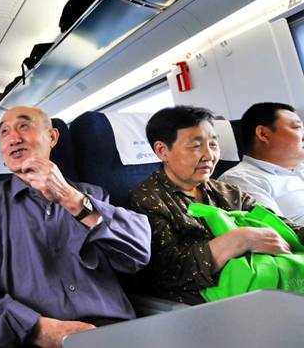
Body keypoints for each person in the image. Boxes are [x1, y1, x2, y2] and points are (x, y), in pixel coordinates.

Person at [0, 106, 151, 348]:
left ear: (53, 137)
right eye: (4, 132)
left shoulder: (92, 195)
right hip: (31, 339)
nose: (14, 138)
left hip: (113, 334)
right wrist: (36, 328)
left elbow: (138, 254)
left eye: (24, 126)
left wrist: (71, 198)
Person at [129, 105, 304, 305]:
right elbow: (165, 271)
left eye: (213, 145)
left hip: (258, 283)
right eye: (195, 146)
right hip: (198, 304)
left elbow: (282, 225)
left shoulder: (226, 191)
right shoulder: (147, 199)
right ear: (162, 151)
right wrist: (238, 240)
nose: (209, 155)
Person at [219, 103, 304, 223]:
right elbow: (280, 231)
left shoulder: (300, 168)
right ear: (263, 134)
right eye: (296, 127)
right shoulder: (241, 180)